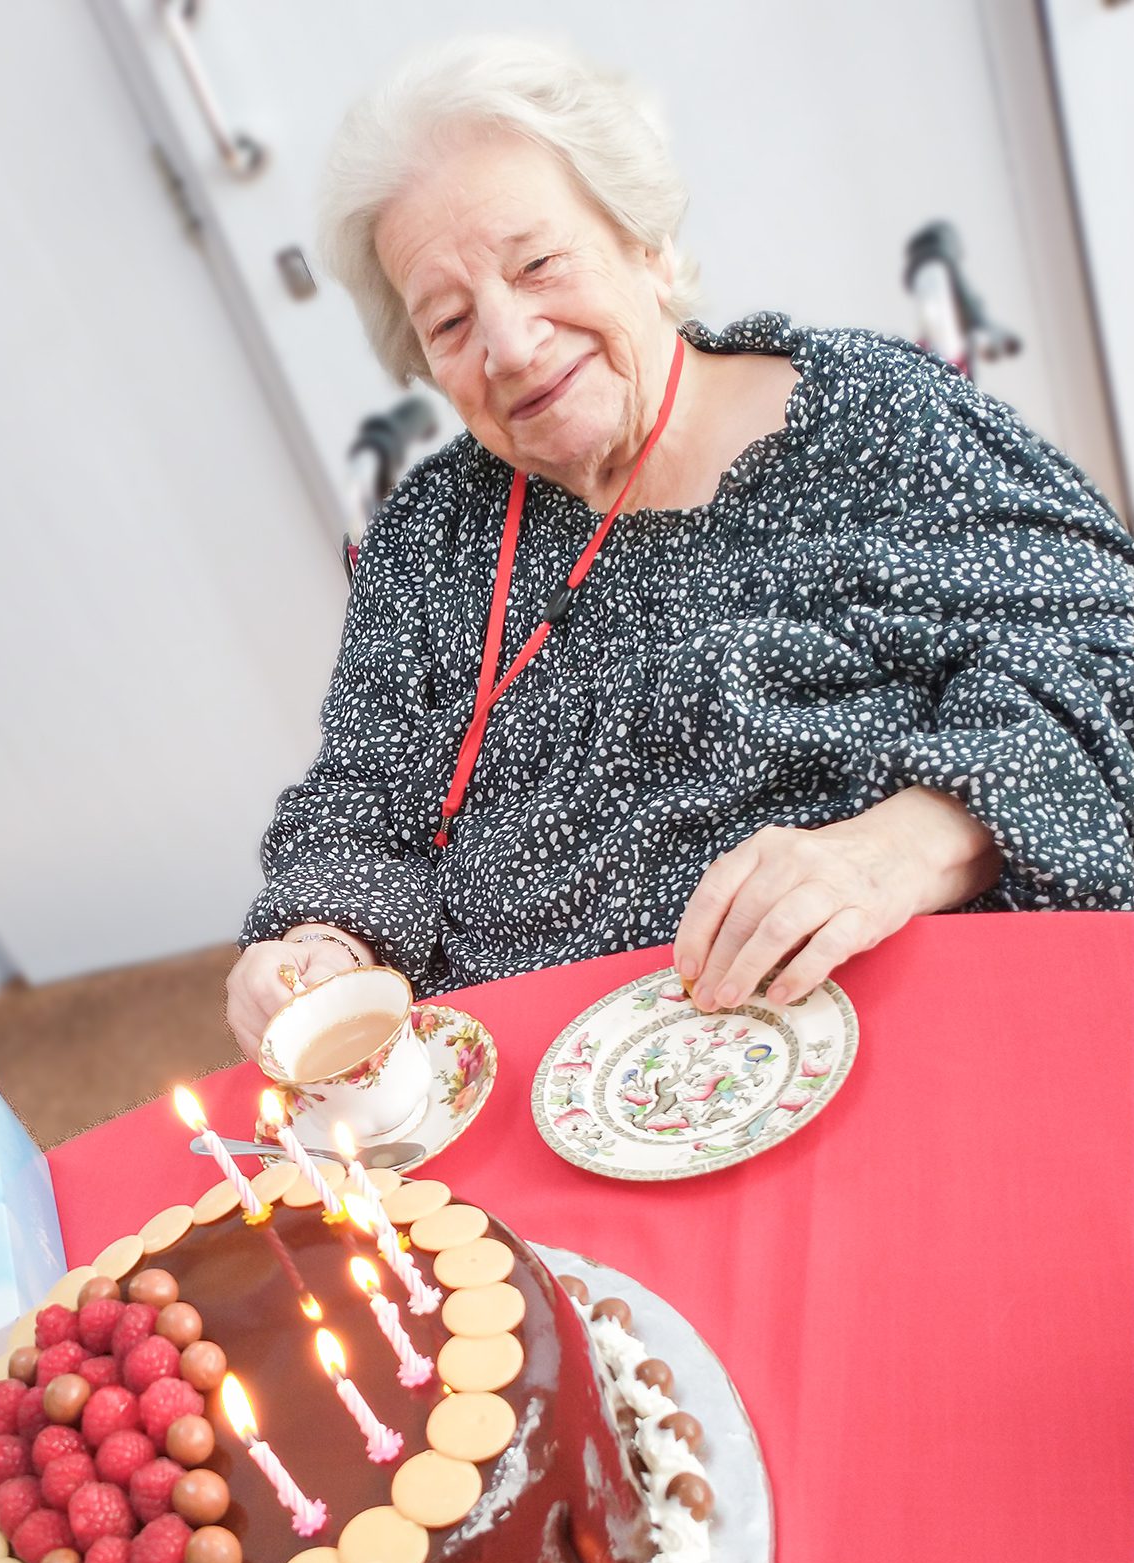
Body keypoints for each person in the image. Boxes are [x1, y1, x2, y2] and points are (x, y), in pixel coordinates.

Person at [227, 35, 1134, 1059]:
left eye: (539, 264)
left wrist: (908, 846)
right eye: (448, 319)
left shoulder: (870, 421)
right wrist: (322, 944)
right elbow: (364, 797)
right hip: (543, 1089)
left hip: (882, 1031)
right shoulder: (429, 544)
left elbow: (1104, 657)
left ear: (645, 245)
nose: (511, 344)